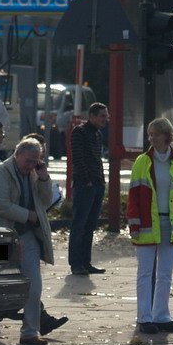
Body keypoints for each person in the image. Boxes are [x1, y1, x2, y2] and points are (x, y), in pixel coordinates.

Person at [0, 138, 62, 345]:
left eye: (36, 161)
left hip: (27, 236)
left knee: (34, 285)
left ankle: (30, 332)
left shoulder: (35, 172)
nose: (31, 166)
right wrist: (29, 216)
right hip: (0, 235)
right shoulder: (0, 171)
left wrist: (44, 177)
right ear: (17, 154)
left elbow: (46, 201)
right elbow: (0, 204)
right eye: (28, 161)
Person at [127, 117, 173, 335]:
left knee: (165, 273)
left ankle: (161, 317)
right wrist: (133, 223)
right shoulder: (142, 162)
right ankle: (144, 318)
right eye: (150, 134)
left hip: (170, 224)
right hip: (147, 224)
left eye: (155, 133)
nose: (151, 137)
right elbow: (134, 196)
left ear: (167, 135)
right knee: (145, 273)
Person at [68, 102, 110, 275]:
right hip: (85, 184)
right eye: (102, 116)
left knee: (90, 225)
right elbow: (77, 158)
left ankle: (86, 262)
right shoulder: (79, 132)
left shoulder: (97, 134)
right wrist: (87, 180)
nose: (105, 120)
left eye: (106, 116)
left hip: (97, 184)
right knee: (79, 225)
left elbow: (97, 159)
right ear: (92, 116)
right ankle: (76, 264)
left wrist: (101, 181)